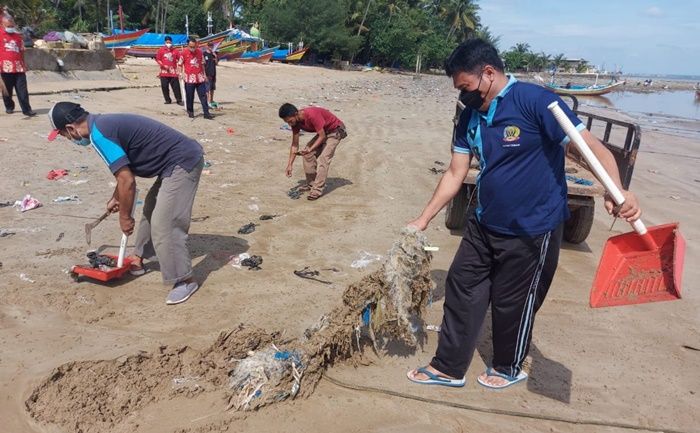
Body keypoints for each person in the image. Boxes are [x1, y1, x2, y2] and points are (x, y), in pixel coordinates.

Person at [406, 39, 641, 389]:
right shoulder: (469, 116)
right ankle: (449, 366)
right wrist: (422, 220)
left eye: (466, 87)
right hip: (484, 222)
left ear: (488, 73)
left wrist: (616, 189)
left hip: (534, 228)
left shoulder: (537, 102)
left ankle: (507, 366)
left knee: (512, 302)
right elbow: (456, 173)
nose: (463, 95)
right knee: (461, 285)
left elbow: (591, 149)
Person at [47, 102, 205, 305]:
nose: (67, 139)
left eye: (63, 135)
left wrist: (125, 216)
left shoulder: (100, 135)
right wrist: (117, 197)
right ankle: (138, 258)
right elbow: (124, 170)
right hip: (170, 163)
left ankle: (184, 280)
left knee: (165, 222)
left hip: (183, 160)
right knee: (152, 208)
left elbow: (127, 181)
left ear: (70, 128)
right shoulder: (101, 126)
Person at [279, 103, 347, 200]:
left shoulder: (311, 114)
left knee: (324, 158)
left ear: (296, 113)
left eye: (290, 121)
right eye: (287, 122)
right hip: (324, 131)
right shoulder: (295, 123)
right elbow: (294, 145)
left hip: (336, 131)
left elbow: (322, 136)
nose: (289, 124)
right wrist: (290, 164)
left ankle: (317, 190)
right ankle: (311, 184)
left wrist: (310, 149)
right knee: (308, 155)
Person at [0, 14, 35, 116]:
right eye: (8, 26)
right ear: (2, 25)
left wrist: (24, 64)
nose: (10, 28)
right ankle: (9, 106)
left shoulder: (18, 37)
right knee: (7, 90)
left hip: (19, 67)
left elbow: (22, 51)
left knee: (22, 90)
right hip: (5, 67)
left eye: (12, 26)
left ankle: (27, 110)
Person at [180, 36, 213, 120]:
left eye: (194, 47)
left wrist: (204, 75)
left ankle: (206, 113)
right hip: (189, 79)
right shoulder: (184, 53)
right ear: (188, 45)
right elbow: (180, 64)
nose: (192, 48)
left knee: (203, 96)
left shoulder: (200, 52)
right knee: (190, 96)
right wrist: (181, 73)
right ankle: (190, 112)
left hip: (200, 78)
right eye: (191, 47)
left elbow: (202, 64)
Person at [155, 36, 183, 106]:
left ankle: (179, 100)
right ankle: (167, 99)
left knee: (176, 87)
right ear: (165, 42)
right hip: (164, 72)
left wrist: (180, 68)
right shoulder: (161, 50)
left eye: (169, 42)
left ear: (171, 42)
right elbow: (158, 59)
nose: (168, 43)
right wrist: (163, 65)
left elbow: (180, 59)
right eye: (167, 42)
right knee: (164, 86)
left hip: (173, 72)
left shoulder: (175, 50)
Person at [202, 42, 217, 107]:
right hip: (207, 73)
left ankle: (211, 100)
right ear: (207, 46)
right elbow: (203, 65)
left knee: (212, 88)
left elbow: (216, 63)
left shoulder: (213, 54)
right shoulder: (204, 54)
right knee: (207, 89)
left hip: (213, 73)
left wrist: (215, 56)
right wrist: (204, 74)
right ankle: (207, 102)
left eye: (212, 46)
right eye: (209, 46)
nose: (211, 47)